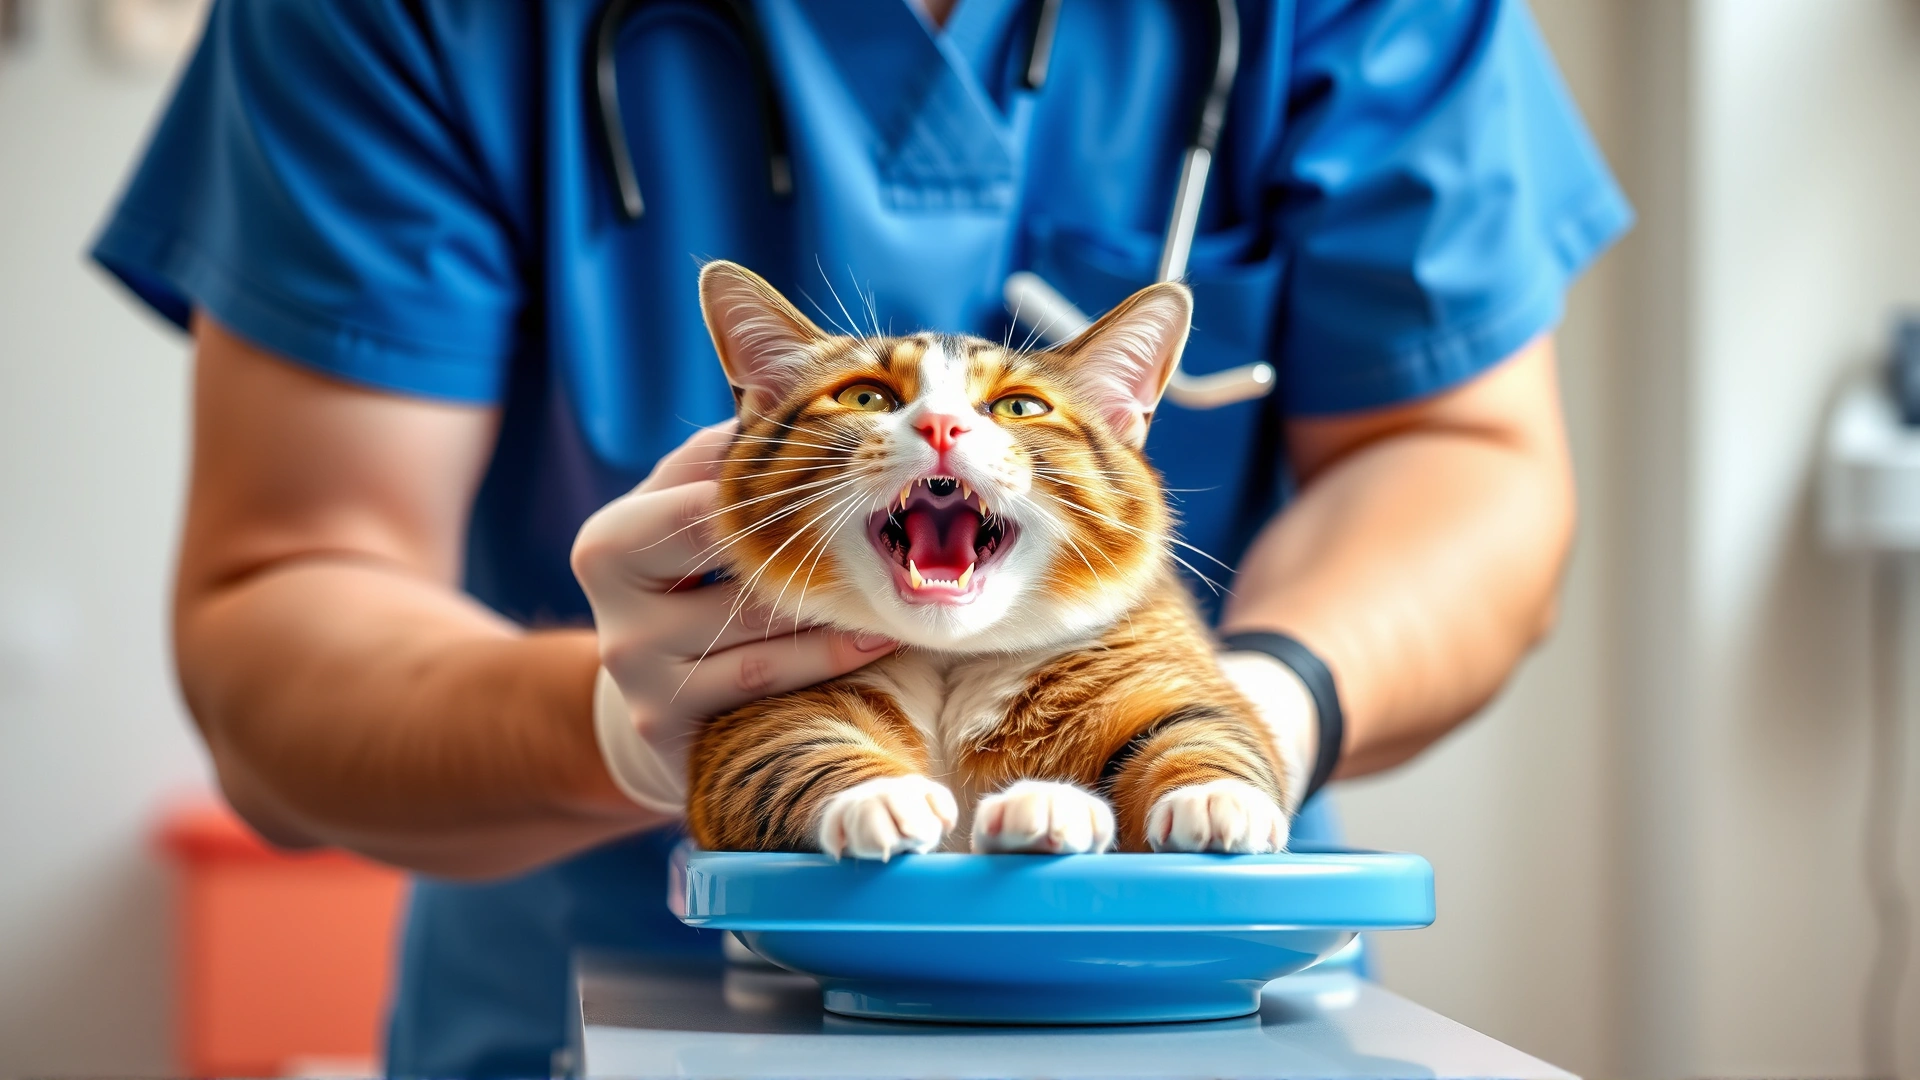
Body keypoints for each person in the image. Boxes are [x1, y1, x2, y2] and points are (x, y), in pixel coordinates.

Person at [92, 0, 1629, 1074]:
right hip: (592, 986)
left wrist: (1243, 719)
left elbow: (1462, 456)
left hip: (1185, 980)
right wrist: (629, 730)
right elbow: (287, 595)